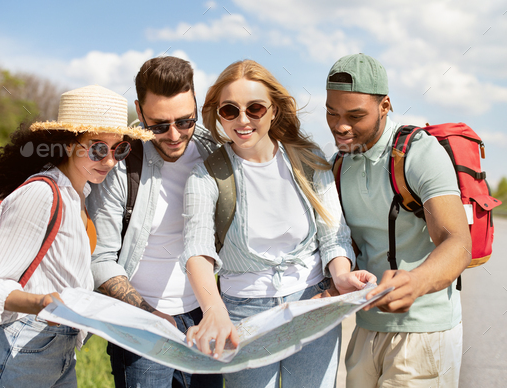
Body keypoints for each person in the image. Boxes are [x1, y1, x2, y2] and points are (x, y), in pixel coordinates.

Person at [0, 85, 154, 387]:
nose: (109, 161)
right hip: (18, 351)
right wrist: (41, 302)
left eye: (119, 149)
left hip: (59, 351)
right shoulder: (41, 194)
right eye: (97, 148)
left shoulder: (80, 195)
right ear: (68, 144)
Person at [181, 59, 375, 388]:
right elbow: (197, 248)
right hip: (244, 314)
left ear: (273, 111)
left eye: (255, 108)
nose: (243, 120)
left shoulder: (309, 160)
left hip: (313, 305)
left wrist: (341, 275)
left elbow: (334, 236)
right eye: (230, 111)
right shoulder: (205, 174)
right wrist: (213, 309)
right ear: (219, 115)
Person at [324, 53, 471, 387]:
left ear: (385, 105)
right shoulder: (338, 164)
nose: (340, 125)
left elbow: (458, 243)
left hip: (424, 330)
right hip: (366, 328)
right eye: (332, 112)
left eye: (355, 115)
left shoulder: (419, 152)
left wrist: (415, 283)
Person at [86, 56, 223, 388]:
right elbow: (100, 258)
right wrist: (151, 315)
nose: (175, 135)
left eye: (185, 121)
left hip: (204, 316)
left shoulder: (216, 150)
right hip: (140, 323)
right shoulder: (120, 164)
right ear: (139, 110)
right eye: (159, 125)